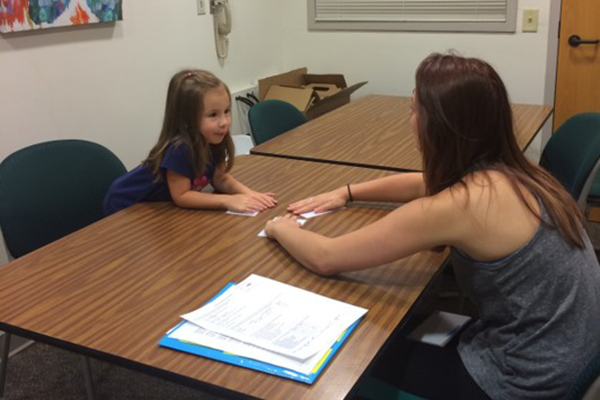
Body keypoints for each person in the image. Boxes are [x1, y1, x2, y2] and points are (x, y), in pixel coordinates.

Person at [264, 53, 600, 400]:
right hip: (566, 353)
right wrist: (346, 193)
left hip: (524, 381)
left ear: (437, 125)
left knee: (354, 357)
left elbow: (326, 256)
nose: (409, 119)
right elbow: (422, 183)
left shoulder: (462, 205)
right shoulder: (516, 173)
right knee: (404, 327)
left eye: (413, 110)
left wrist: (278, 227)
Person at [104, 70, 276, 215]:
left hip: (160, 208)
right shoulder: (180, 148)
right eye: (213, 115)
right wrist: (228, 201)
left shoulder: (213, 138)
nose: (224, 122)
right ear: (186, 120)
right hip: (128, 206)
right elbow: (182, 196)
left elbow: (219, 178)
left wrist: (250, 194)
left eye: (226, 111)